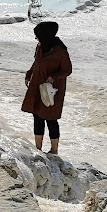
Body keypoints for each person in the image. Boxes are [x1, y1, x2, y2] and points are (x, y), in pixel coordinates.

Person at [21, 20, 72, 154]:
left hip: (51, 91)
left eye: (38, 35)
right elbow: (36, 62)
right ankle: (38, 148)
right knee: (37, 116)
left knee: (51, 119)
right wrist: (29, 74)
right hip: (37, 86)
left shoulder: (60, 51)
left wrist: (53, 77)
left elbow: (67, 70)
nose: (36, 38)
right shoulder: (40, 46)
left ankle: (54, 150)